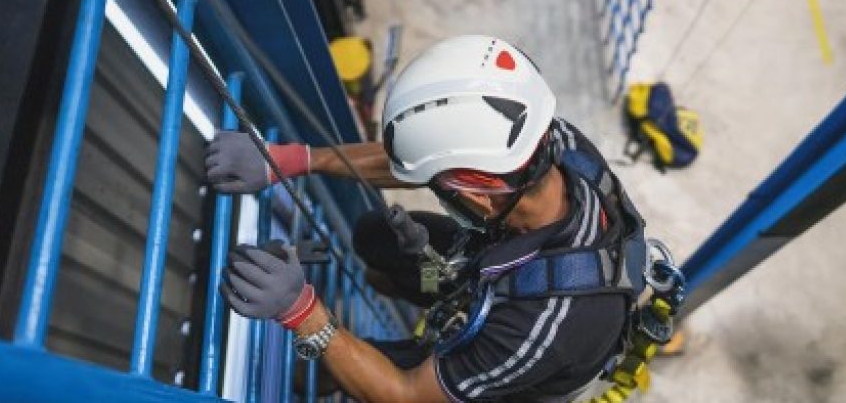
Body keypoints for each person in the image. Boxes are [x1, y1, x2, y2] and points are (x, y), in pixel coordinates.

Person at [206, 35, 649, 403]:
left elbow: (407, 395)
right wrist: (295, 160)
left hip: (509, 362)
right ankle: (399, 291)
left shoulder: (543, 326)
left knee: (331, 377)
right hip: (498, 268)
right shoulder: (548, 141)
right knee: (376, 238)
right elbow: (413, 161)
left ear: (476, 194)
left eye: (441, 187)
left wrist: (303, 313)